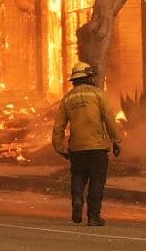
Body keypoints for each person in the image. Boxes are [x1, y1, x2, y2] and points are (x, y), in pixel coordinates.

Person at [51, 61, 122, 226]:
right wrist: (116, 140)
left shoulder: (67, 99)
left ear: (75, 80)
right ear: (88, 77)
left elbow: (58, 126)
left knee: (78, 176)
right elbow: (109, 119)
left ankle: (77, 199)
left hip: (77, 147)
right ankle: (93, 216)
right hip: (98, 146)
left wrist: (59, 147)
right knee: (97, 181)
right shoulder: (98, 94)